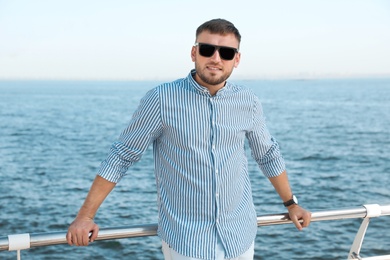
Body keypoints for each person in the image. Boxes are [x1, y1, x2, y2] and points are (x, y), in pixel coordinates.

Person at [66, 18, 311, 260]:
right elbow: (122, 156)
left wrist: (291, 204)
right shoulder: (161, 99)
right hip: (187, 242)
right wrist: (86, 216)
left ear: (236, 60)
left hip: (240, 237)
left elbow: (267, 154)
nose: (216, 58)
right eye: (207, 49)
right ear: (194, 53)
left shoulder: (248, 101)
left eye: (226, 52)